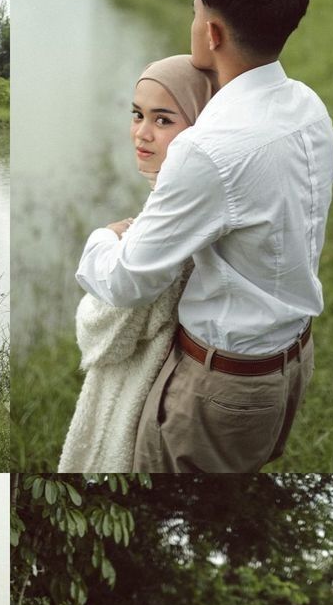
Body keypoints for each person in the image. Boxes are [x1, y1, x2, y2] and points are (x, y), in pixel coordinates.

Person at [76, 0, 333, 474]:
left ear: (212, 33)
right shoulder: (308, 106)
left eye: (195, 13)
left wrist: (104, 237)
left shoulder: (208, 149)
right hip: (292, 359)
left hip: (224, 386)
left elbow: (129, 282)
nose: (193, 23)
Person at [59, 56, 216, 473]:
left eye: (163, 121)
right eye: (137, 115)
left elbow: (102, 334)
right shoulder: (180, 199)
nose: (141, 134)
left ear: (200, 127)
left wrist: (105, 238)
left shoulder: (165, 220)